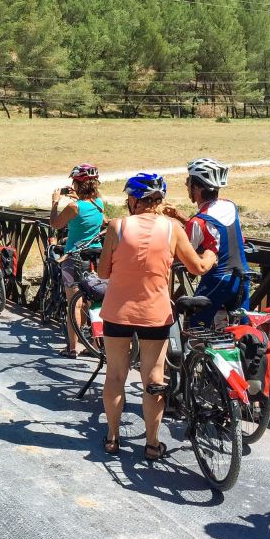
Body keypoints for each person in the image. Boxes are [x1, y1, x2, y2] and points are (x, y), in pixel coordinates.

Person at [98, 173, 216, 460]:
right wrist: (212, 253)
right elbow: (198, 267)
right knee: (153, 377)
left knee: (115, 375)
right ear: (159, 200)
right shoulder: (172, 228)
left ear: (133, 200)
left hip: (117, 311)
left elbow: (102, 273)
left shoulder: (117, 226)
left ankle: (112, 438)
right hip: (155, 313)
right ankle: (152, 444)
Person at [164, 158, 249, 329]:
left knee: (195, 328)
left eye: (188, 181)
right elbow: (214, 230)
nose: (186, 184)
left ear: (197, 187)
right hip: (242, 277)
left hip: (216, 280)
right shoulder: (230, 206)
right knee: (242, 331)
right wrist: (180, 216)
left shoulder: (197, 222)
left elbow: (186, 255)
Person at [50, 163, 105, 358]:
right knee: (96, 299)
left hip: (74, 256)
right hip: (96, 255)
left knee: (75, 302)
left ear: (76, 184)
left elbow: (55, 223)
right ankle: (97, 344)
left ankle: (73, 347)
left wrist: (55, 202)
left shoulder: (74, 207)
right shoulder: (99, 203)